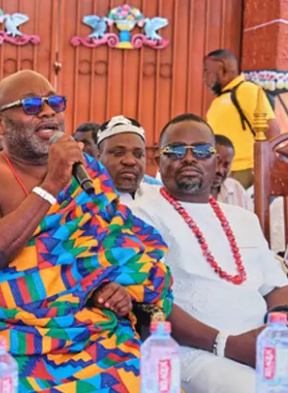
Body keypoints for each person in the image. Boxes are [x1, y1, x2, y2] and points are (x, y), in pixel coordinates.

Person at [0, 70, 173, 392]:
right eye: (30, 105)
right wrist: (52, 183)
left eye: (55, 103)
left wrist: (113, 286)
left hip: (89, 330)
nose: (47, 112)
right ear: (0, 123)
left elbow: (120, 244)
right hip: (7, 338)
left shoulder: (88, 172)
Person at [131, 113, 288, 393]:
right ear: (159, 161)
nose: (190, 158)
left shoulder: (243, 219)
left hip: (261, 344)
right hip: (194, 351)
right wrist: (227, 343)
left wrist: (276, 330)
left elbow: (275, 286)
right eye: (177, 150)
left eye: (202, 151)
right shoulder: (141, 214)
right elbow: (152, 300)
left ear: (217, 162)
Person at [204, 49, 279, 189]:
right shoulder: (219, 100)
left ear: (221, 69)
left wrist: (264, 170)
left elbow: (272, 129)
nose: (205, 78)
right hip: (222, 170)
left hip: (244, 171)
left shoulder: (247, 90)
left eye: (207, 72)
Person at [97, 116, 161, 205]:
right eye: (118, 153)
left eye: (138, 155)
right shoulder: (83, 200)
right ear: (98, 158)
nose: (130, 161)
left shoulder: (160, 197)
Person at [211, 134, 252, 210]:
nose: (219, 170)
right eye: (216, 162)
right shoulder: (190, 191)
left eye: (226, 165)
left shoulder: (236, 189)